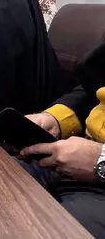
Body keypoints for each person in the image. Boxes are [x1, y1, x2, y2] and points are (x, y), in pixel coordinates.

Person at [20, 42, 105, 238]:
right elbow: (95, 90)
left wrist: (101, 159)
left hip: (97, 181)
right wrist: (56, 119)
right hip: (74, 152)